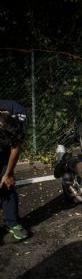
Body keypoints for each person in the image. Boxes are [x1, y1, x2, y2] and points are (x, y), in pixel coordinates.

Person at [0, 100, 28, 240]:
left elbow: (16, 146)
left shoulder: (16, 112)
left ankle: (11, 223)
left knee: (7, 186)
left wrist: (8, 173)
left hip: (3, 150)